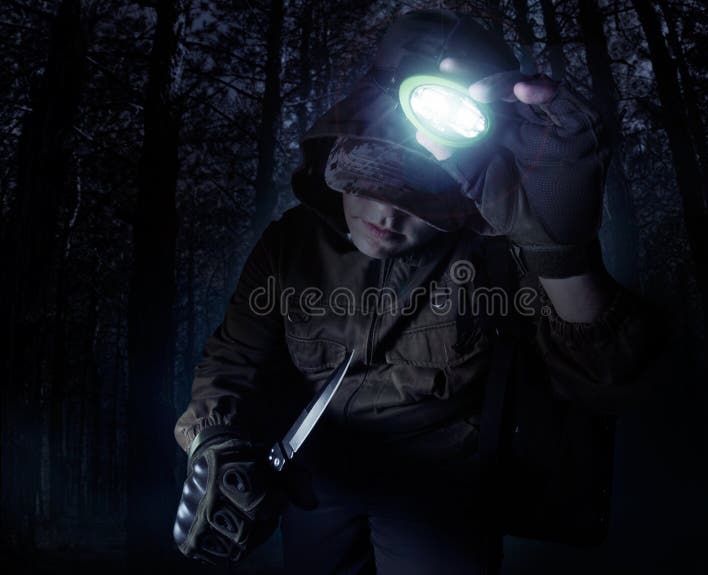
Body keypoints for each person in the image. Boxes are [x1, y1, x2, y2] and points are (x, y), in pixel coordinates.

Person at [172, 9, 663, 574]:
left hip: (444, 491)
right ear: (339, 153)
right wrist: (217, 441)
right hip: (317, 480)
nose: (388, 213)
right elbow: (233, 356)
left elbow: (607, 379)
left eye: (422, 196)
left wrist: (562, 251)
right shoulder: (289, 245)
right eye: (370, 177)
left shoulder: (502, 250)